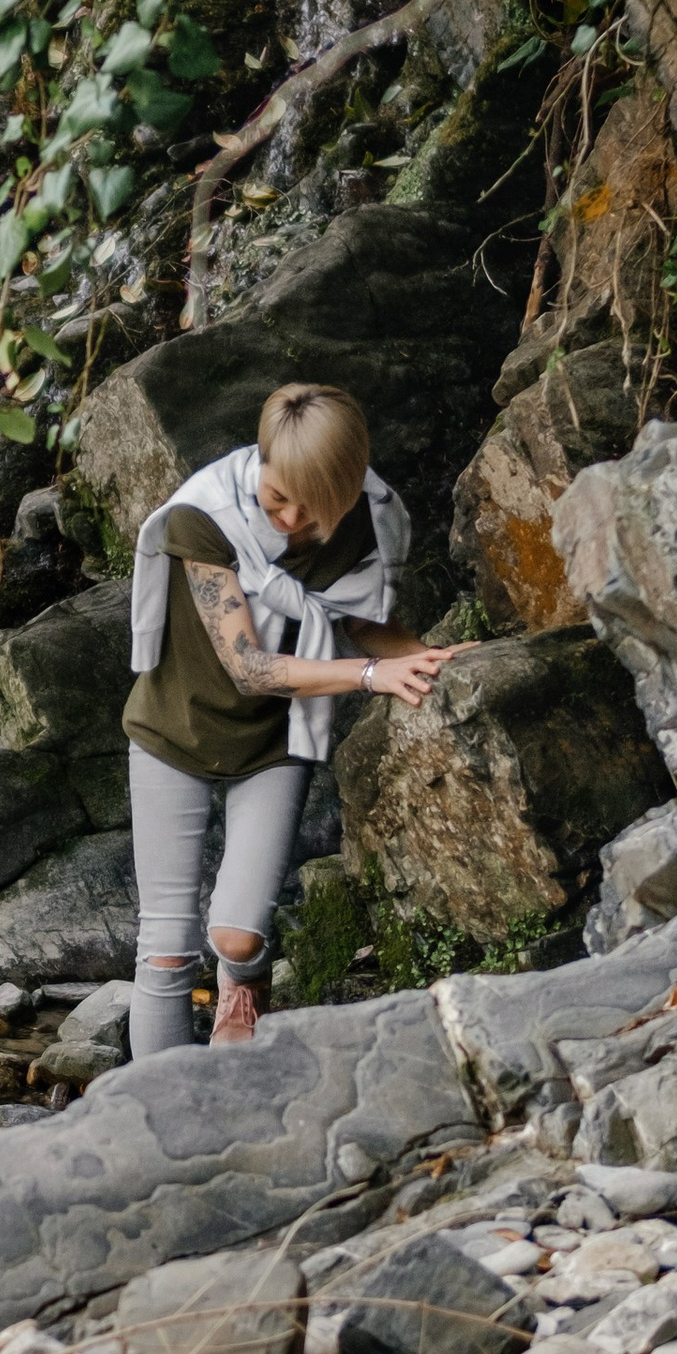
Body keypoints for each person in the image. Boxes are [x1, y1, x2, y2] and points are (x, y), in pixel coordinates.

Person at [122, 380, 449, 1053]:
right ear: (260, 464)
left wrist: (426, 658)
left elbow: (361, 620)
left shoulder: (367, 516)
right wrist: (368, 675)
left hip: (276, 741)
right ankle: (154, 1109)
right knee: (166, 950)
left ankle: (244, 981)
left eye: (314, 507)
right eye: (277, 499)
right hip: (172, 730)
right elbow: (248, 666)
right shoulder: (205, 514)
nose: (293, 519)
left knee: (237, 937)